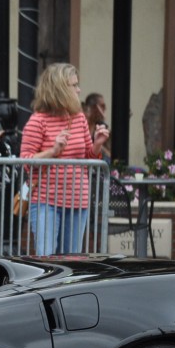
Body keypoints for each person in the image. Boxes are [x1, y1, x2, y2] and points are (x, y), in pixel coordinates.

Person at [19, 63, 110, 255]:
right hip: (46, 200)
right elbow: (26, 162)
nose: (79, 89)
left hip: (78, 199)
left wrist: (98, 144)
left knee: (72, 258)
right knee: (47, 258)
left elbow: (88, 156)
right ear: (59, 89)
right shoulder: (37, 121)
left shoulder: (78, 118)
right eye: (74, 85)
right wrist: (52, 151)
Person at [83, 92, 110, 164]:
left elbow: (109, 153)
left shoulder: (99, 125)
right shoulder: (83, 122)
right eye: (102, 106)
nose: (104, 109)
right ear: (95, 107)